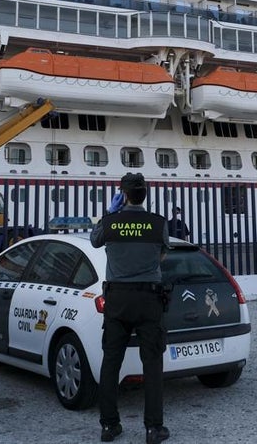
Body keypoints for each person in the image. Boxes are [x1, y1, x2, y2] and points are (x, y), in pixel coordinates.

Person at [90, 173, 170, 444]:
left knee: (111, 362)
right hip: (149, 299)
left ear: (123, 196)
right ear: (144, 194)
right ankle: (153, 428)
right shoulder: (158, 223)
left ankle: (109, 426)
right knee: (153, 363)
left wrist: (108, 214)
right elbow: (163, 253)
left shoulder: (111, 222)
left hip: (117, 299)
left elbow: (94, 241)